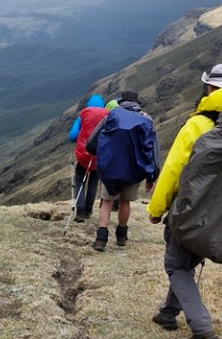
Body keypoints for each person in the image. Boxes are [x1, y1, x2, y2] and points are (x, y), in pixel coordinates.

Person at [147, 62, 222, 339]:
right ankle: (168, 313)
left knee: (175, 265)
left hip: (193, 208)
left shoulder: (199, 124)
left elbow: (173, 169)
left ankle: (201, 327)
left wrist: (157, 209)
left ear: (209, 88)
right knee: (186, 262)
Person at [86, 90, 160, 250]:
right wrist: (152, 175)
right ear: (137, 104)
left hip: (111, 169)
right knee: (125, 202)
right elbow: (153, 149)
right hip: (134, 170)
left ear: (121, 102)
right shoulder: (147, 119)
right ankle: (121, 235)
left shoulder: (112, 115)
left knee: (107, 202)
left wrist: (100, 157)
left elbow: (92, 142)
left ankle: (101, 238)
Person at [67, 94, 108, 222]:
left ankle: (80, 211)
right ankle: (88, 211)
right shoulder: (109, 115)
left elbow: (72, 135)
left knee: (79, 181)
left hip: (84, 154)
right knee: (93, 182)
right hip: (99, 155)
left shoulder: (84, 114)